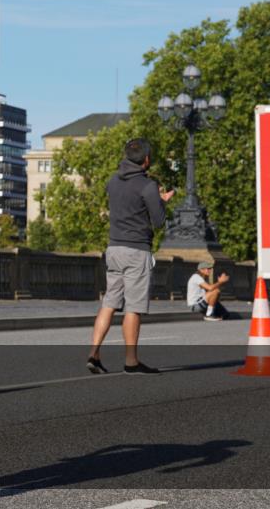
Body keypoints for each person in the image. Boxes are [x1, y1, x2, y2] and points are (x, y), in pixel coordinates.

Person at [86, 138, 173, 375]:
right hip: (137, 250)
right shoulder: (148, 186)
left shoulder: (113, 181)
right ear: (146, 160)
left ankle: (94, 353)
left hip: (114, 248)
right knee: (133, 307)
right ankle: (131, 361)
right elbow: (158, 221)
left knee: (109, 303)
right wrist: (162, 201)